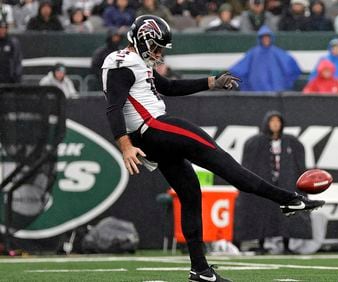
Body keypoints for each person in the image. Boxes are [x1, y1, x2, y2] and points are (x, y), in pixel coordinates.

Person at [101, 15, 324, 282]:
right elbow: (114, 107)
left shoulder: (138, 63)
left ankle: (201, 270)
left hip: (152, 136)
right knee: (222, 161)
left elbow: (169, 87)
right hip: (154, 128)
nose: (159, 53)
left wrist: (210, 82)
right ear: (143, 39)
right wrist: (124, 145)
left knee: (191, 194)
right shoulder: (121, 63)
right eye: (157, 46)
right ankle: (289, 200)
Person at [235, 111, 312, 254]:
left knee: (287, 214)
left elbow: (299, 165)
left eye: (278, 121)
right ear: (267, 123)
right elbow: (248, 165)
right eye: (272, 121)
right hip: (264, 185)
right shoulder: (255, 142)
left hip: (285, 184)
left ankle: (287, 244)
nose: (276, 124)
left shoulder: (292, 142)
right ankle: (261, 243)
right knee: (261, 213)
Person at [229, 25, 301, 92]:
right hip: (256, 90)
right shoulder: (253, 53)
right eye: (263, 37)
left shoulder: (278, 52)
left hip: (276, 91)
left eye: (267, 37)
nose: (266, 40)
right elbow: (238, 69)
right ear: (260, 39)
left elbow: (291, 67)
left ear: (271, 38)